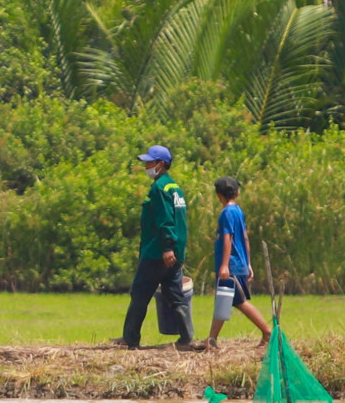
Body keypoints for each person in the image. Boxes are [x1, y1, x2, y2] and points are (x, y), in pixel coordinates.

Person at [114, 145, 198, 350]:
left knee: (139, 293)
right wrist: (174, 248)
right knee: (174, 294)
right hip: (175, 251)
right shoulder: (174, 187)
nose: (146, 166)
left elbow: (165, 220)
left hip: (158, 252)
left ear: (161, 164)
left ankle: (130, 339)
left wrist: (166, 247)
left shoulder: (159, 188)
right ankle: (187, 338)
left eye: (150, 162)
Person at [204, 177, 271, 350]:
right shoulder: (238, 211)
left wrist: (224, 265)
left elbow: (228, 238)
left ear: (219, 195)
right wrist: (248, 263)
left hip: (231, 265)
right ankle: (211, 339)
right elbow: (245, 238)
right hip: (239, 262)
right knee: (224, 300)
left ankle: (267, 332)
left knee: (239, 302)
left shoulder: (226, 213)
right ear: (237, 193)